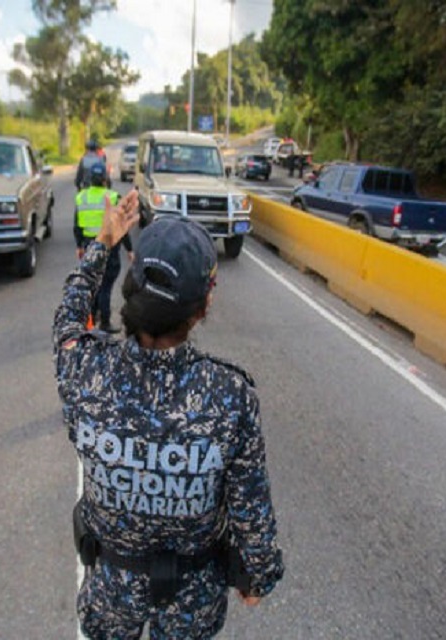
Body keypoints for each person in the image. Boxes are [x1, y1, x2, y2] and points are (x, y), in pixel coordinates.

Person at [54, 193, 284, 639]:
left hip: (110, 589)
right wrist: (258, 574)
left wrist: (104, 241)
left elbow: (68, 314)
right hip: (192, 597)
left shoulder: (84, 368)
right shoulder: (230, 395)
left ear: (131, 286)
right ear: (204, 304)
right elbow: (250, 506)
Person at [73, 162, 132, 333]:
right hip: (110, 247)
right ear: (105, 179)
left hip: (89, 246)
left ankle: (91, 319)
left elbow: (77, 225)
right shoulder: (113, 197)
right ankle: (104, 322)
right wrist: (129, 249)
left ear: (90, 179)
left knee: (93, 283)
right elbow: (122, 228)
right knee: (105, 286)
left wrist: (79, 245)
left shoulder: (81, 197)